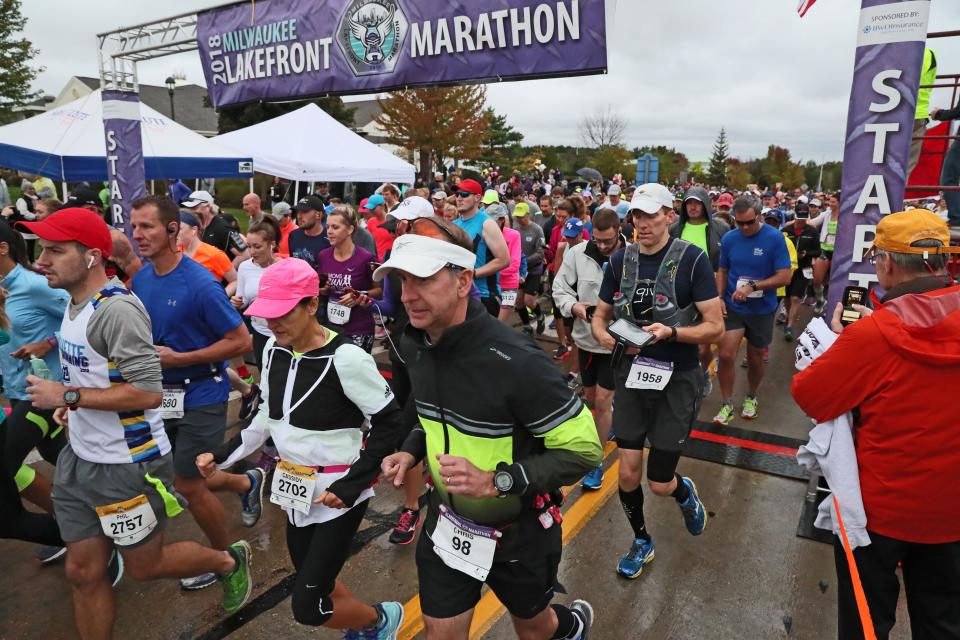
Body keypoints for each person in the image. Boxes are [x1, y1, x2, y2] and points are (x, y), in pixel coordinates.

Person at [19, 208, 253, 637]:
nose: (40, 260)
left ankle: (226, 559)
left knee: (146, 566)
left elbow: (148, 393)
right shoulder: (74, 303)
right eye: (41, 249)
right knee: (83, 572)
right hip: (78, 460)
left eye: (55, 250)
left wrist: (67, 395)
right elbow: (98, 372)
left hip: (128, 464)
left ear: (91, 256)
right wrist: (73, 404)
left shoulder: (116, 310)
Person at [377, 222, 600, 640]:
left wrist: (497, 481)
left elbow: (586, 451)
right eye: (402, 280)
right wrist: (410, 450)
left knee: (535, 628)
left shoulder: (518, 360)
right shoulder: (414, 343)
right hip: (445, 522)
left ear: (463, 281)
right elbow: (429, 414)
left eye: (422, 279)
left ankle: (568, 625)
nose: (407, 294)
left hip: (518, 534)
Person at [201, 258, 407, 637]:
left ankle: (381, 620)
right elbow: (266, 415)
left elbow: (389, 422)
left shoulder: (347, 358)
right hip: (294, 489)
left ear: (312, 305)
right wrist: (221, 454)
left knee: (308, 607)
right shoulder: (274, 351)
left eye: (282, 313)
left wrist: (350, 486)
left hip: (338, 494)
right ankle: (367, 626)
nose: (272, 323)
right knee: (317, 580)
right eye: (266, 314)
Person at [792, 209, 960, 640]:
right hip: (952, 512)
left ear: (886, 264)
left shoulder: (871, 336)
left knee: (866, 626)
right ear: (944, 261)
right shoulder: (877, 333)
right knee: (942, 623)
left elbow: (811, 394)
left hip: (878, 514)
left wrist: (843, 342)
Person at [129, 195, 262, 591]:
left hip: (203, 393)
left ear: (173, 231)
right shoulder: (141, 278)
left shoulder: (201, 283)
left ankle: (228, 558)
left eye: (146, 227)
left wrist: (182, 357)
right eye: (134, 226)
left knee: (187, 483)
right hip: (160, 395)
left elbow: (240, 341)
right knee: (174, 475)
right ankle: (246, 483)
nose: (138, 235)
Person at [590, 183, 722, 579]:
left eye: (651, 215)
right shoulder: (620, 261)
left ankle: (683, 492)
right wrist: (606, 336)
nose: (642, 223)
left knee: (659, 482)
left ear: (670, 215)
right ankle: (641, 540)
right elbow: (600, 317)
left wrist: (672, 334)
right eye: (637, 215)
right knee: (627, 472)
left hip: (677, 377)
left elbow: (715, 326)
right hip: (631, 375)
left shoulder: (692, 260)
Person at [0, 221, 70, 560]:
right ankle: (85, 523)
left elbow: (84, 313)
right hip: (16, 390)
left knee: (5, 462)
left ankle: (82, 537)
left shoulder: (34, 285)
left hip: (43, 393)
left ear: (2, 248)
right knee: (65, 459)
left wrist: (47, 342)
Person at [553, 209, 623, 490]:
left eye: (608, 241)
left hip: (617, 342)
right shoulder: (577, 253)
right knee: (593, 400)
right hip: (586, 340)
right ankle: (609, 419)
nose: (603, 246)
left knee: (603, 402)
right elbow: (560, 289)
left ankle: (595, 463)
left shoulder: (633, 255)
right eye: (598, 240)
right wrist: (574, 306)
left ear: (619, 230)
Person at [712, 195, 792, 426]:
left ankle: (751, 397)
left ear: (759, 216)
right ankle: (726, 403)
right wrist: (719, 297)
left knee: (756, 359)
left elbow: (785, 277)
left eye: (749, 222)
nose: (745, 227)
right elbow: (723, 270)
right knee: (726, 355)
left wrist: (754, 286)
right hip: (734, 306)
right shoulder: (729, 238)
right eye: (740, 223)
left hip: (762, 309)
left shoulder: (775, 238)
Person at [670, 186, 730, 396]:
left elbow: (727, 262)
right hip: (679, 292)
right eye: (689, 203)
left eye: (697, 203)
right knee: (678, 339)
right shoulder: (674, 228)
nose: (693, 207)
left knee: (703, 348)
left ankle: (702, 372)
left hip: (708, 292)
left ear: (705, 204)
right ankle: (683, 378)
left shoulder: (720, 228)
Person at [317, 205, 381, 352]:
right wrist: (325, 290)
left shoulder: (366, 258)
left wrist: (359, 295)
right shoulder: (323, 255)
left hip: (359, 328)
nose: (329, 232)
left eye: (335, 227)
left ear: (350, 230)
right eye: (328, 227)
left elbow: (379, 291)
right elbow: (324, 289)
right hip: (332, 328)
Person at [452, 178, 510, 316]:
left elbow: (504, 260)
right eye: (457, 194)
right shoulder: (454, 224)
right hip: (458, 293)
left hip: (484, 296)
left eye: (464, 194)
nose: (459, 198)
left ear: (478, 198)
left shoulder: (487, 223)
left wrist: (473, 274)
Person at [233, 218, 283, 369]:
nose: (252, 252)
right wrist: (237, 302)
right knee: (265, 375)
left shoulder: (285, 267)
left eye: (257, 246)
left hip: (283, 333)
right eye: (249, 246)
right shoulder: (244, 267)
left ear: (272, 244)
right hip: (259, 332)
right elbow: (243, 299)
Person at [63, 187, 142, 282]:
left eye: (100, 212)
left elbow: (139, 277)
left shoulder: (113, 238)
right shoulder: (65, 234)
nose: (95, 215)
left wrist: (115, 293)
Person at [781, 203, 821, 340]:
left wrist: (806, 253)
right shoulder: (786, 230)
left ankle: (790, 326)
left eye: (804, 218)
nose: (802, 221)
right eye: (799, 217)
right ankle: (789, 317)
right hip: (787, 268)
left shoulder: (812, 231)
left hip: (804, 268)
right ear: (794, 215)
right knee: (787, 298)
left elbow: (818, 251)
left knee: (796, 298)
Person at [181, 190, 248, 264]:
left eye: (195, 208)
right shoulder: (197, 226)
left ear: (208, 207)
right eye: (190, 208)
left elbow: (245, 254)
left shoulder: (223, 228)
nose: (192, 211)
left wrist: (226, 272)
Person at [177, 211, 237, 293]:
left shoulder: (213, 254)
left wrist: (220, 298)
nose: (174, 233)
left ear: (194, 230)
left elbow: (235, 281)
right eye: (173, 229)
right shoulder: (174, 252)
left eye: (179, 229)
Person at [486, 203, 526, 323]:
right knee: (489, 323)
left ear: (502, 220)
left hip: (509, 285)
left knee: (500, 323)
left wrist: (488, 270)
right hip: (490, 285)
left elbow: (514, 265)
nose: (489, 225)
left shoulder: (514, 235)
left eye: (493, 222)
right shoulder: (484, 235)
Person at [514, 202, 547, 335]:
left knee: (529, 300)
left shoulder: (537, 230)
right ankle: (527, 326)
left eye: (521, 216)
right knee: (519, 301)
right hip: (519, 271)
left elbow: (541, 252)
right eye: (517, 216)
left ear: (528, 214)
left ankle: (540, 316)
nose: (518, 219)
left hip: (533, 270)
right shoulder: (515, 230)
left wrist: (524, 262)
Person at [288, 195, 331, 271]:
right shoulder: (293, 236)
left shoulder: (330, 239)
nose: (299, 216)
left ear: (318, 215)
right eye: (298, 212)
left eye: (304, 212)